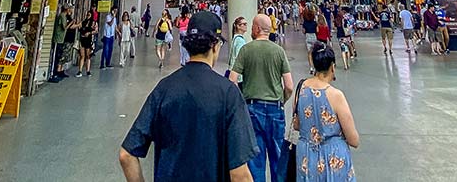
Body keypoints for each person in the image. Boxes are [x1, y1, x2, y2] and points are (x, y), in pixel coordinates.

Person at [119, 10, 256, 182]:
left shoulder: (164, 88)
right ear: (215, 45)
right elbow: (239, 174)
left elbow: (127, 155)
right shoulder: (228, 93)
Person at [230, 14, 294, 182]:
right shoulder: (279, 51)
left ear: (257, 29)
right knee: (278, 157)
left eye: (252, 25)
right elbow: (289, 86)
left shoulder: (246, 50)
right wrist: (281, 101)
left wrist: (241, 102)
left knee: (255, 160)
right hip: (275, 109)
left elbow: (232, 79)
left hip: (252, 110)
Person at [293, 44, 359, 182]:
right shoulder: (336, 95)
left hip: (306, 156)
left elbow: (297, 125)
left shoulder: (301, 88)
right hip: (332, 157)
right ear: (332, 67)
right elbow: (353, 139)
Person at [49, 5, 69, 82]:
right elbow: (64, 27)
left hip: (61, 39)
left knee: (58, 57)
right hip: (58, 39)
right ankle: (52, 74)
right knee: (55, 57)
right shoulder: (62, 16)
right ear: (66, 10)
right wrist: (71, 23)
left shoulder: (63, 16)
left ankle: (56, 73)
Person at [77, 11, 95, 77]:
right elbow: (79, 28)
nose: (87, 16)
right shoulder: (83, 22)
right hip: (82, 39)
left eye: (89, 15)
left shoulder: (93, 22)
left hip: (88, 40)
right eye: (87, 15)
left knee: (88, 56)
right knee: (82, 55)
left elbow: (95, 30)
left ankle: (88, 70)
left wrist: (89, 33)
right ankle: (80, 71)